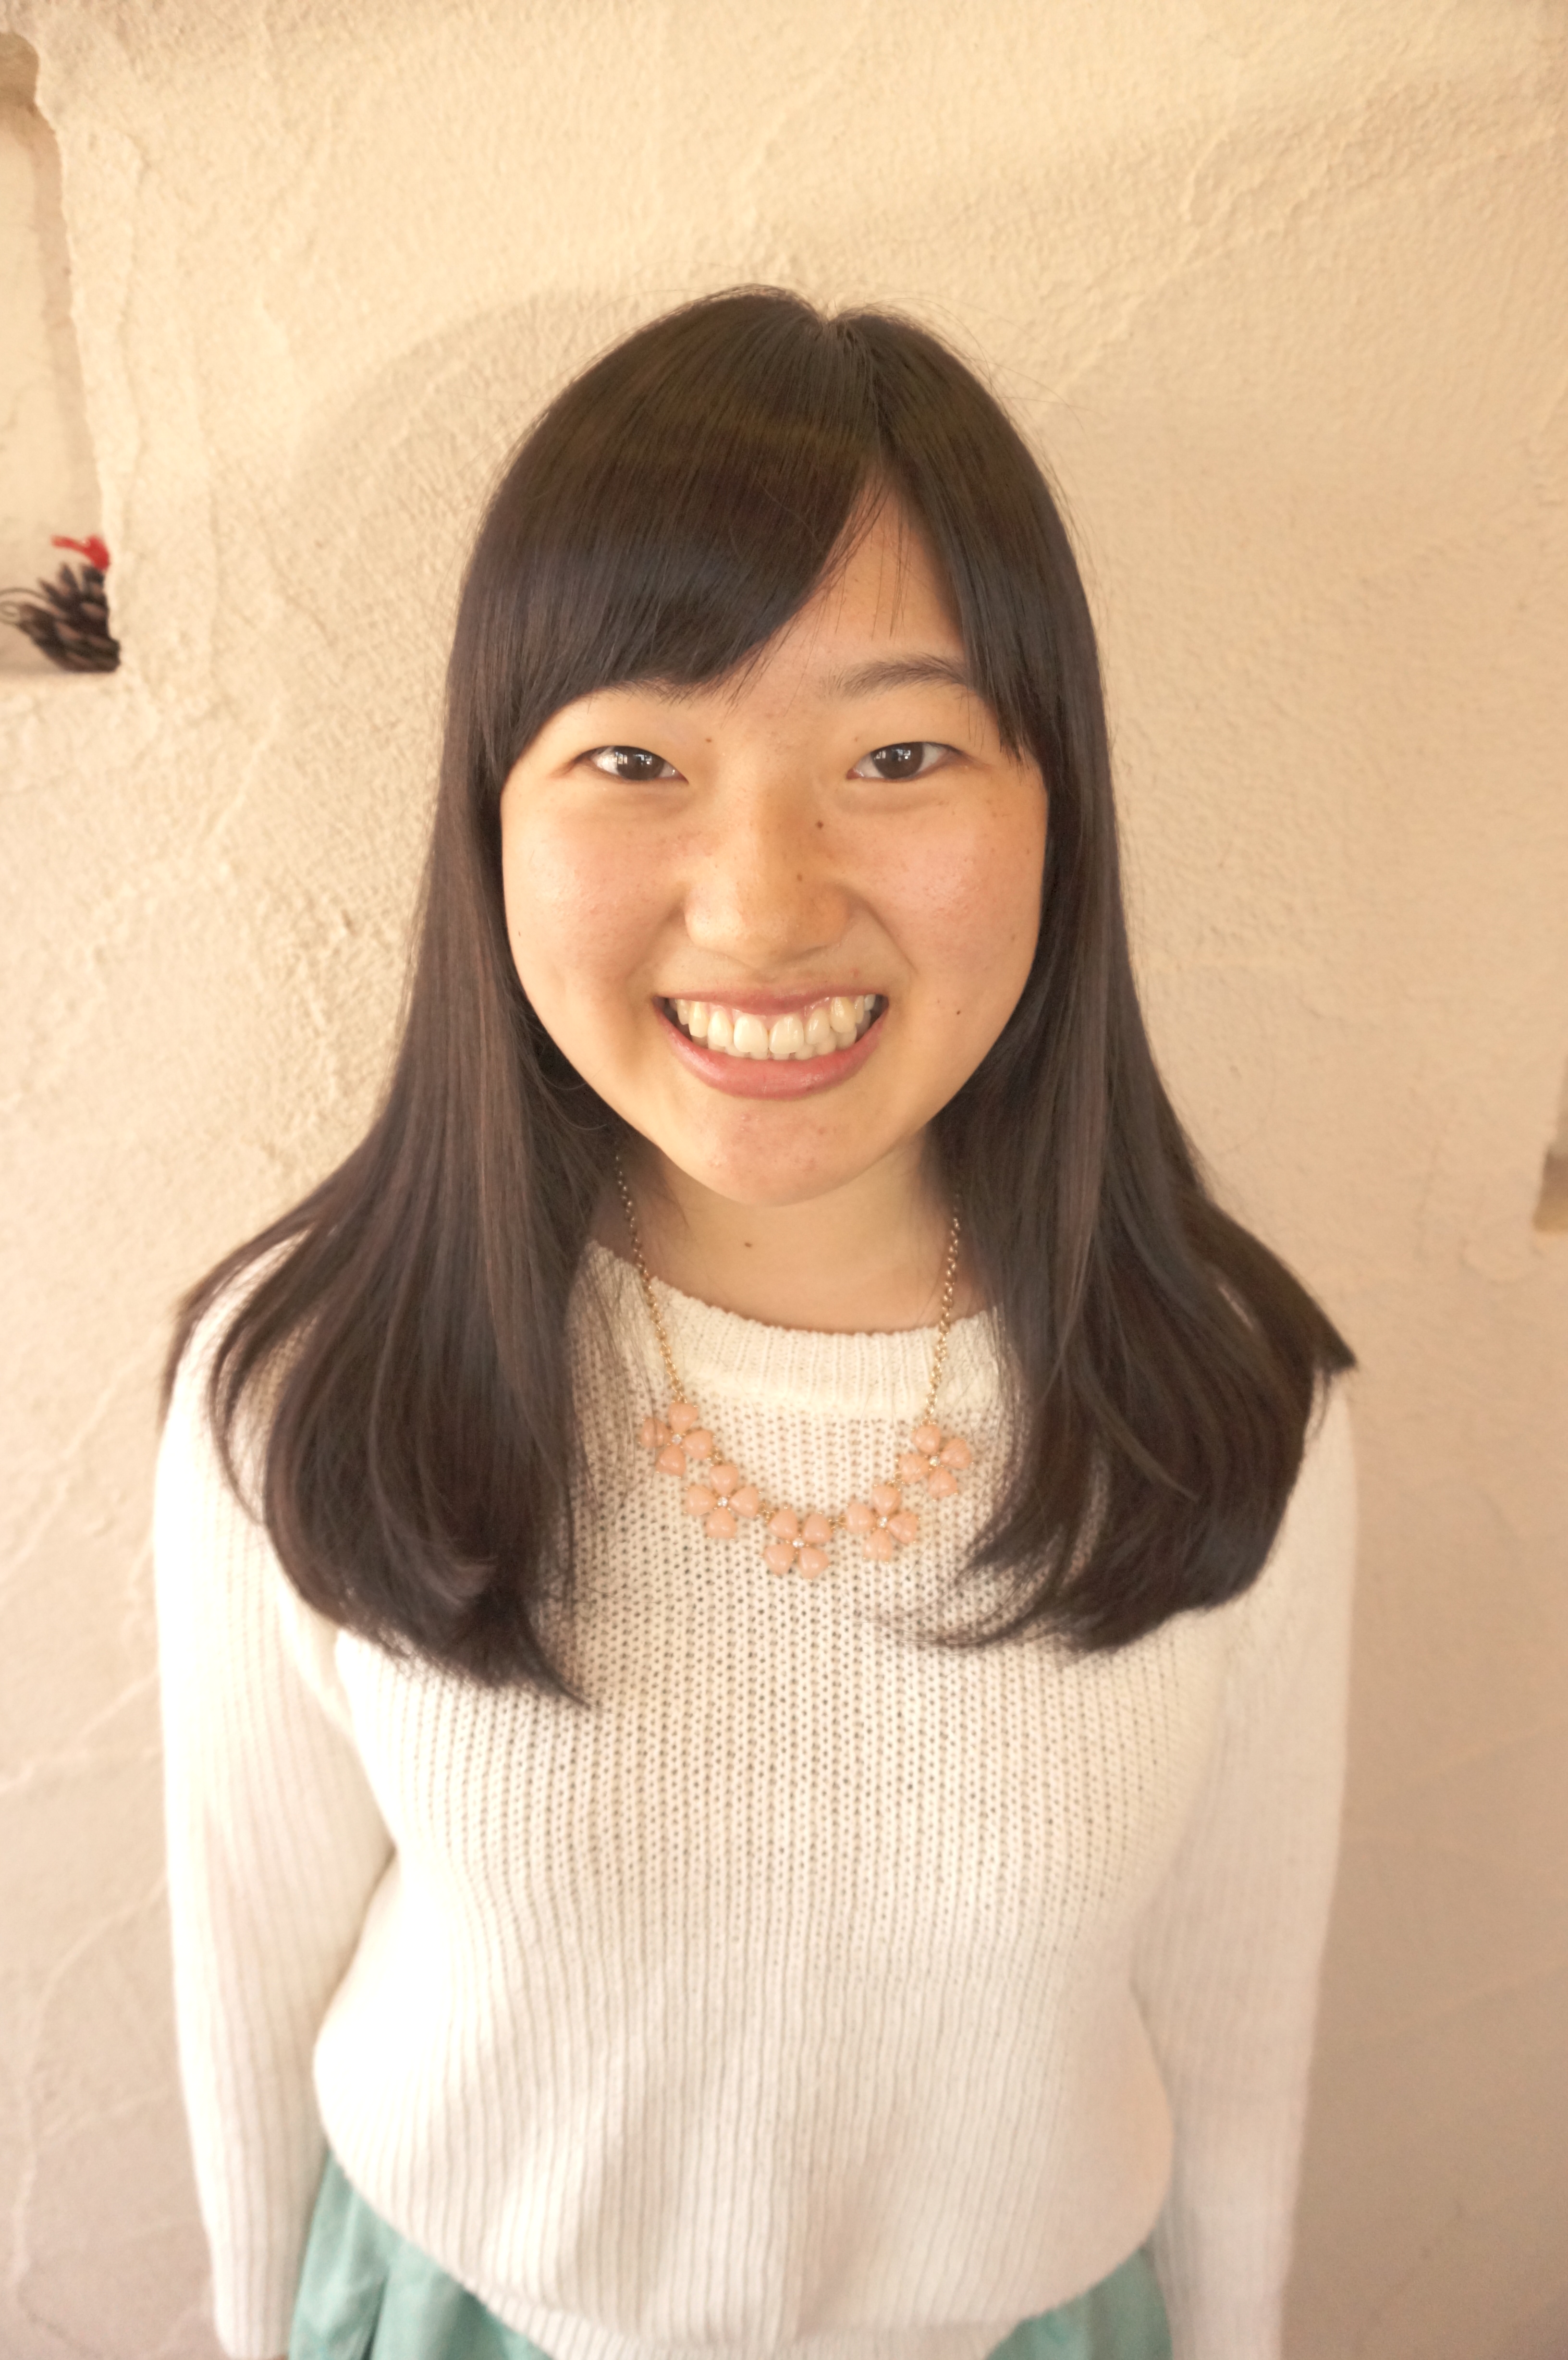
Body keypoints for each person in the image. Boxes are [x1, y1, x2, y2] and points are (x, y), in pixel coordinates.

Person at [155, 287, 1356, 2360]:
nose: (763, 904)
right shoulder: (313, 1367)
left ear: (1057, 806)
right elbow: (247, 1989)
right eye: (635, 757)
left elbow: (1241, 2031)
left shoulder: (1232, 1394)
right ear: (491, 815)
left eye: (900, 755)